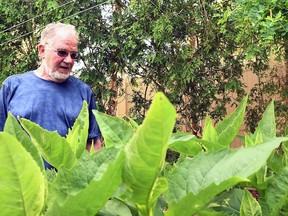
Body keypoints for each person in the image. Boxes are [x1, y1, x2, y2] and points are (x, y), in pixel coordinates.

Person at [0, 23, 102, 169]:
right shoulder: (12, 87)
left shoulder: (84, 92)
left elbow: (93, 146)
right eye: (62, 52)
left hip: (66, 186)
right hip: (24, 184)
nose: (69, 60)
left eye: (73, 55)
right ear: (42, 51)